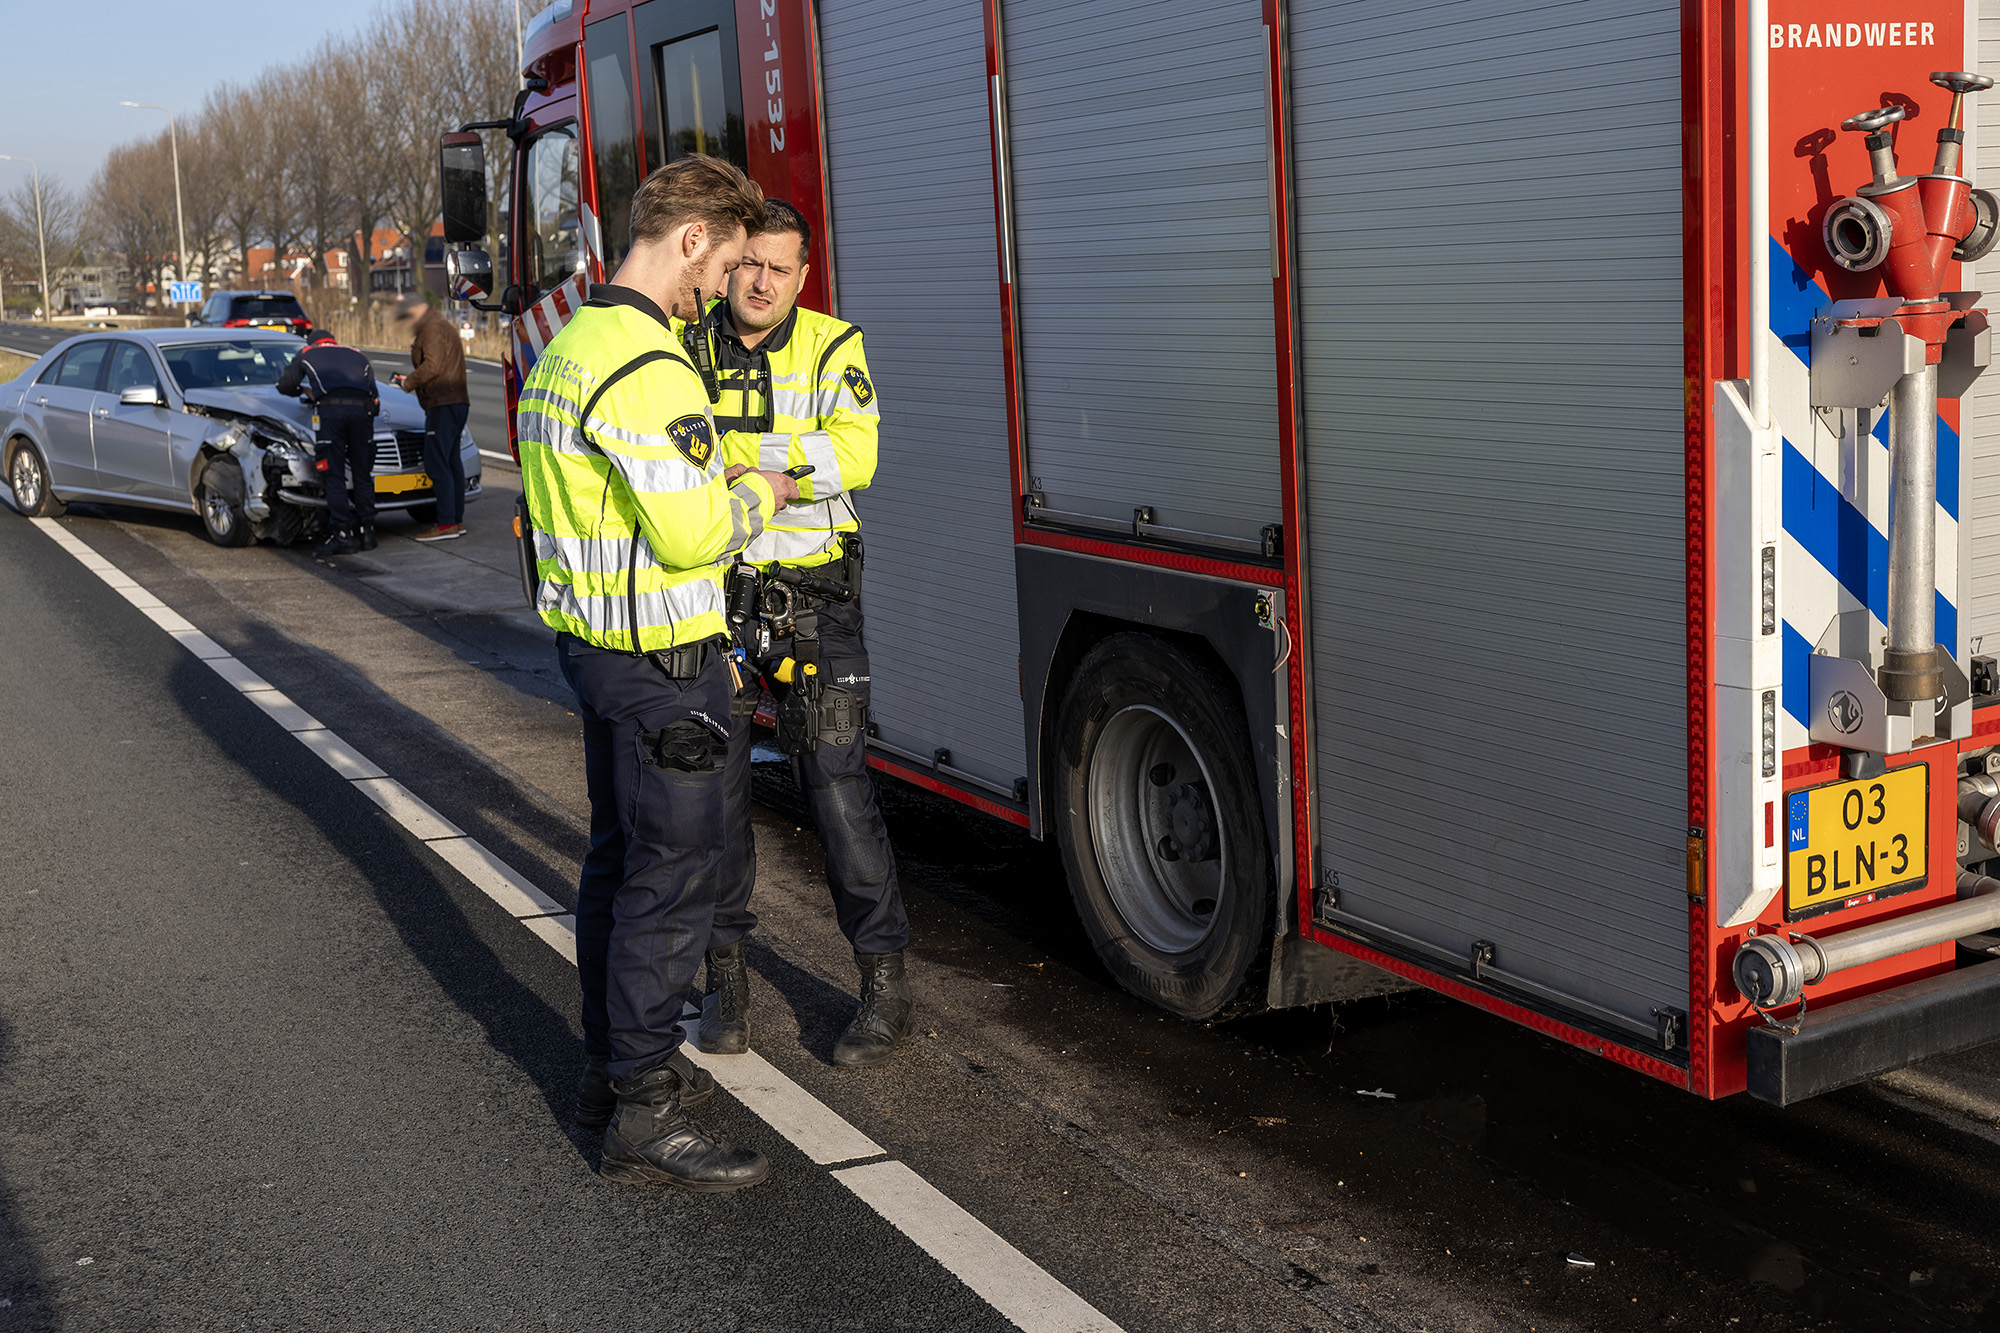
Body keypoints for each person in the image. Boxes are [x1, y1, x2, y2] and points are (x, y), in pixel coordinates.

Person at [517, 155, 798, 1193]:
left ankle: (608, 1074)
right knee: (672, 888)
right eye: (719, 265)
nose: (716, 289)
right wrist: (758, 488)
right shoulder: (647, 362)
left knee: (617, 871)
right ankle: (643, 1102)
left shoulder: (565, 348)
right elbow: (686, 534)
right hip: (662, 665)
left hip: (596, 653)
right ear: (688, 241)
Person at [699, 199, 915, 1069]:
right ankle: (725, 982)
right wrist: (793, 451)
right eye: (748, 262)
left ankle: (884, 983)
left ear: (803, 276)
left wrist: (741, 450)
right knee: (711, 798)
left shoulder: (833, 345)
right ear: (728, 260)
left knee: (838, 791)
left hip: (816, 607)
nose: (760, 281)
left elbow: (857, 455)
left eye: (779, 268)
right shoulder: (683, 344)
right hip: (714, 604)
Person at [277, 327, 381, 557]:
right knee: (363, 473)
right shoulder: (357, 354)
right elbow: (374, 395)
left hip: (331, 413)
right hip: (363, 414)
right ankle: (367, 533)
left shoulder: (308, 352)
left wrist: (305, 390)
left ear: (313, 342)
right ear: (334, 341)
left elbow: (285, 384)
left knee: (333, 474)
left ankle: (342, 535)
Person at [390, 292, 470, 542]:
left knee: (437, 464)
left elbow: (433, 365)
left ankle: (446, 523)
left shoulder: (431, 330)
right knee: (452, 462)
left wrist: (409, 383)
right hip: (457, 400)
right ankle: (456, 520)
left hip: (442, 402)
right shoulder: (443, 325)